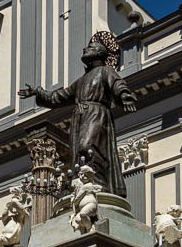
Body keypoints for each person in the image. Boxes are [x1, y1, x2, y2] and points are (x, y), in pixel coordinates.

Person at [18, 32, 137, 198]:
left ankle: (97, 182)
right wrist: (38, 91)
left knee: (87, 147)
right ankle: (83, 181)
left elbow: (118, 84)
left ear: (100, 54)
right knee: (79, 154)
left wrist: (125, 96)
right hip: (80, 117)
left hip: (96, 114)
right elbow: (58, 97)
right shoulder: (81, 81)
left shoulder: (105, 71)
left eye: (90, 48)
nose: (85, 49)